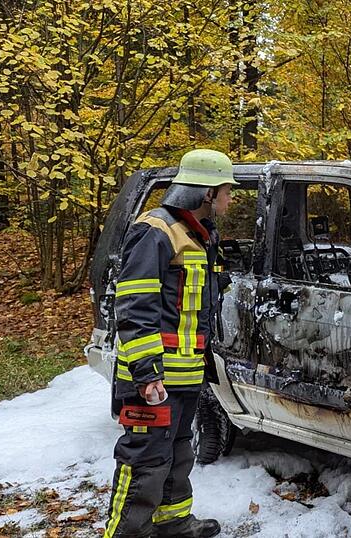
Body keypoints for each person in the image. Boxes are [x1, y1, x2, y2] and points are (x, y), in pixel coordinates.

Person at [103, 149, 235, 538]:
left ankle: (173, 522)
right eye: (227, 191)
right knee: (144, 461)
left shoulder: (198, 233)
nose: (231, 198)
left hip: (184, 372)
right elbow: (133, 306)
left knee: (178, 453)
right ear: (207, 192)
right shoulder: (156, 231)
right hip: (153, 377)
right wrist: (146, 375)